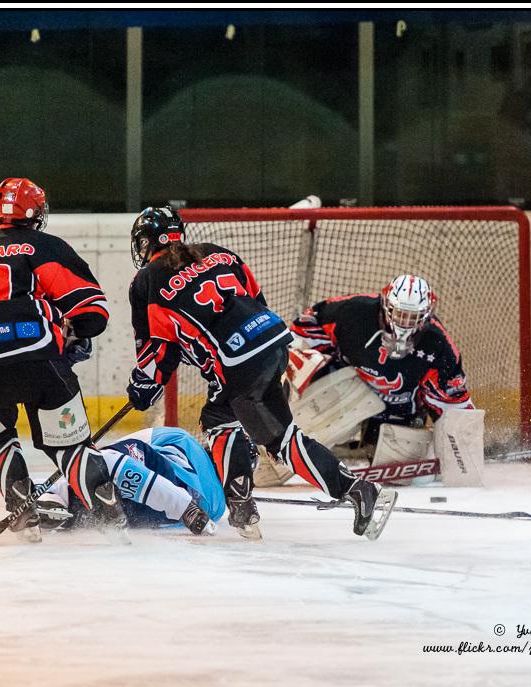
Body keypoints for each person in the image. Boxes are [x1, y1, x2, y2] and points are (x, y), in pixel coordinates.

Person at [122, 206, 397, 540]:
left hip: (237, 360)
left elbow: (158, 348)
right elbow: (256, 298)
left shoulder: (146, 281)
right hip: (275, 340)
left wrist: (144, 386)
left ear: (147, 243)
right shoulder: (217, 254)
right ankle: (356, 490)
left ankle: (242, 507)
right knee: (273, 435)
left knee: (222, 422)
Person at [0, 177, 127, 543]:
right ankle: (112, 522)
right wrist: (71, 335)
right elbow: (92, 310)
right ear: (36, 213)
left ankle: (22, 511)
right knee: (71, 446)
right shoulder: (43, 245)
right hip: (35, 359)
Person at [288, 274, 475, 460]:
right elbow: (307, 326)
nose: (405, 322)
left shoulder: (438, 344)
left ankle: (362, 447)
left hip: (398, 410)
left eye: (413, 317)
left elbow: (452, 401)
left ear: (426, 315)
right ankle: (296, 443)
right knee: (315, 401)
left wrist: (462, 446)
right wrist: (303, 360)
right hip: (349, 391)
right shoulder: (354, 311)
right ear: (386, 306)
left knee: (396, 458)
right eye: (400, 314)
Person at [34, 426, 225, 535]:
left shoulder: (184, 439)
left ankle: (53, 499)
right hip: (153, 513)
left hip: (157, 477)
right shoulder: (218, 507)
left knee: (102, 468)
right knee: (95, 503)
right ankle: (63, 505)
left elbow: (140, 439)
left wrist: (91, 456)